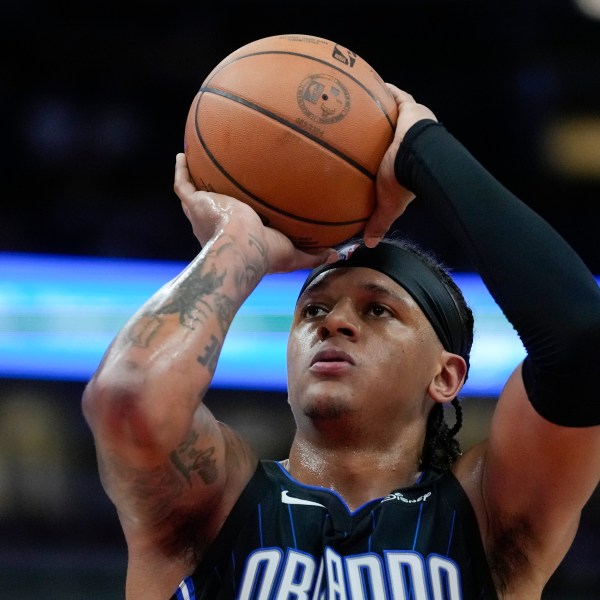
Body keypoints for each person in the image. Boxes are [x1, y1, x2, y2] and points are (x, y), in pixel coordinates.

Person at [82, 85, 600, 600]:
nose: (333, 324)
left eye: (378, 310)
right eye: (314, 310)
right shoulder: (217, 502)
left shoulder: (486, 518)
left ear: (446, 376)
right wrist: (238, 243)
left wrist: (423, 147)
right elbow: (128, 398)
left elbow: (583, 341)